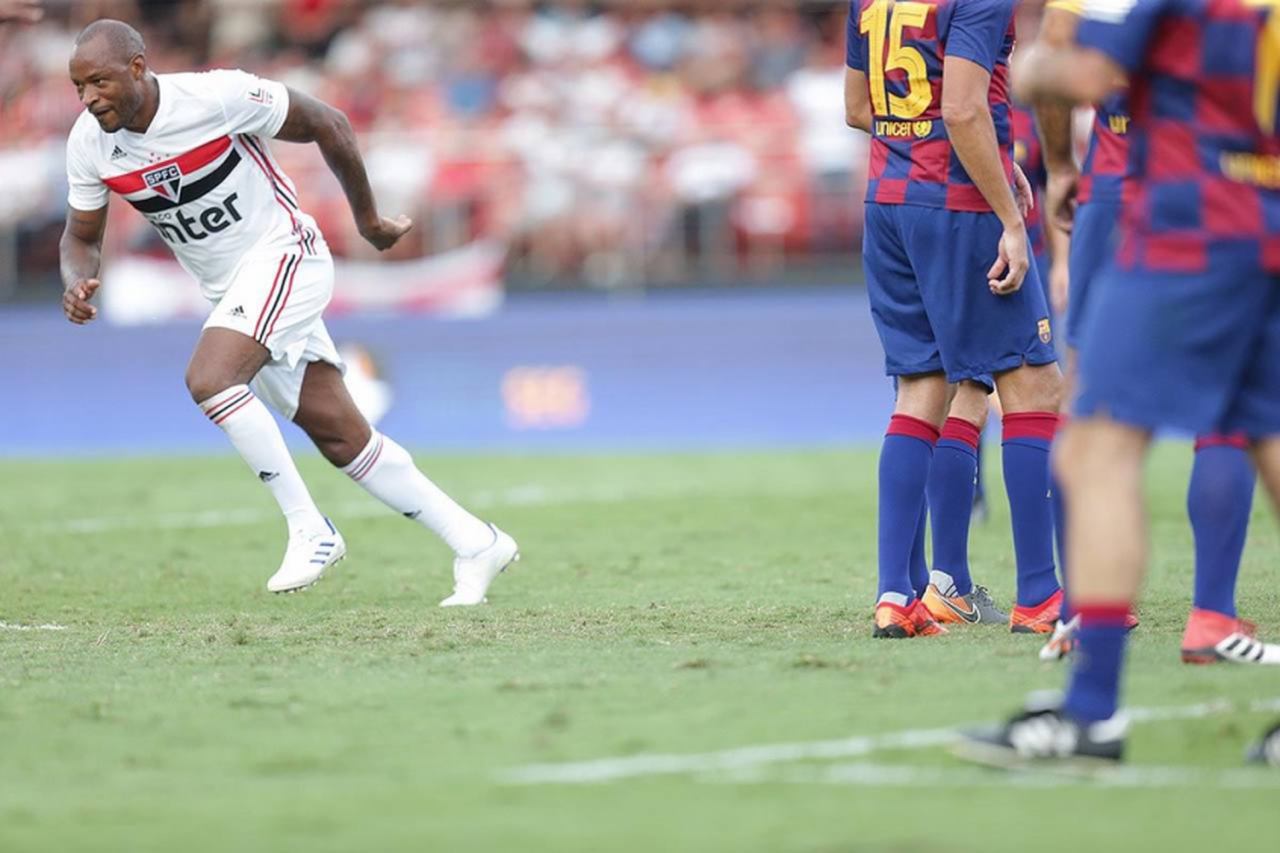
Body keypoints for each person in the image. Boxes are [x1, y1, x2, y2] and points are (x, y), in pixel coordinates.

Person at [59, 20, 519, 605]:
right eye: (78, 87)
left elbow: (330, 122)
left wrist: (368, 220)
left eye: (99, 81)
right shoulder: (89, 142)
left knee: (210, 379)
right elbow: (80, 236)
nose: (89, 98)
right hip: (230, 290)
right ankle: (477, 542)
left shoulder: (217, 96)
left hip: (286, 255)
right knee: (340, 433)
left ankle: (309, 528)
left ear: (139, 68)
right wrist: (77, 281)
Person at [958, 0, 1280, 766]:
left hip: (1187, 222)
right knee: (1263, 440)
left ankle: (1093, 709)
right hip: (1264, 214)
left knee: (1095, 447)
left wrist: (1031, 67)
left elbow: (1091, 68)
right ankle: (1199, 623)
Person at [1032, 1, 1264, 666]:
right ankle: (1212, 613)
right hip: (1223, 202)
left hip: (1113, 191)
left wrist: (1058, 163)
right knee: (1232, 413)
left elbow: (1057, 49)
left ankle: (1080, 611)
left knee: (1090, 414)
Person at [846, 0, 1063, 638]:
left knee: (924, 387)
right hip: (957, 204)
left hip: (886, 204)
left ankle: (897, 595)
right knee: (1034, 383)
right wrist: (1010, 216)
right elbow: (963, 108)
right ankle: (1040, 595)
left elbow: (859, 109)